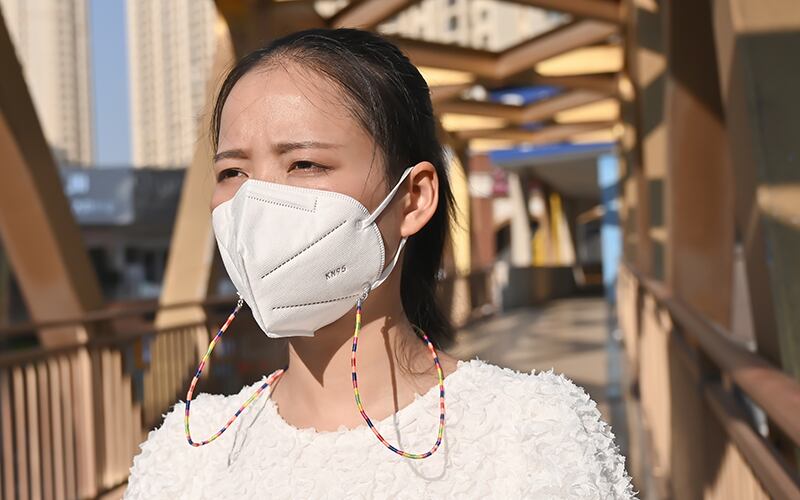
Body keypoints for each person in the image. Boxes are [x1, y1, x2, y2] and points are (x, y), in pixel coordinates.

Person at [125, 28, 634, 499]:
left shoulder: (531, 435)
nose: (254, 206)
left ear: (413, 198)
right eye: (232, 172)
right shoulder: (185, 452)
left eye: (304, 163)